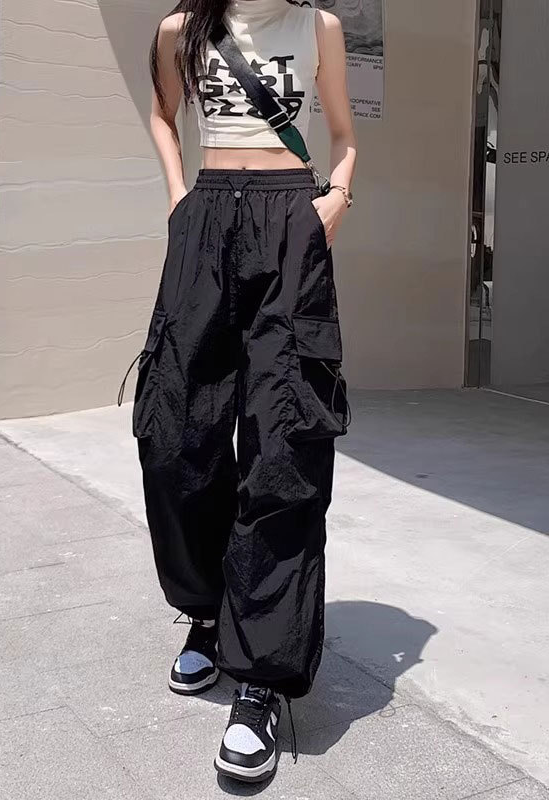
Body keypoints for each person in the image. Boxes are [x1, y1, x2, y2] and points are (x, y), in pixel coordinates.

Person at [132, 0, 356, 783]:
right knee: (174, 434)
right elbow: (162, 115)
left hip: (291, 222)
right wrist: (177, 197)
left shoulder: (318, 27)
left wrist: (333, 202)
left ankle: (259, 673)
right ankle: (207, 610)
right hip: (205, 223)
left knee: (284, 445)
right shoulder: (181, 29)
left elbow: (345, 136)